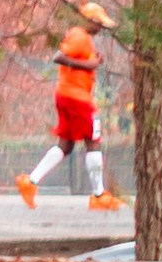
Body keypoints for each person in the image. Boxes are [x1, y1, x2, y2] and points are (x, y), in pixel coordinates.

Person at [17, 12, 122, 207]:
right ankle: (99, 196)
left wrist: (93, 62)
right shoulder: (80, 35)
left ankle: (30, 182)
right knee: (93, 140)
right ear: (90, 20)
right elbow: (59, 57)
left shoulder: (82, 38)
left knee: (66, 145)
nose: (100, 29)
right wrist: (89, 64)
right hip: (77, 98)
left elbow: (76, 60)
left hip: (65, 95)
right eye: (98, 24)